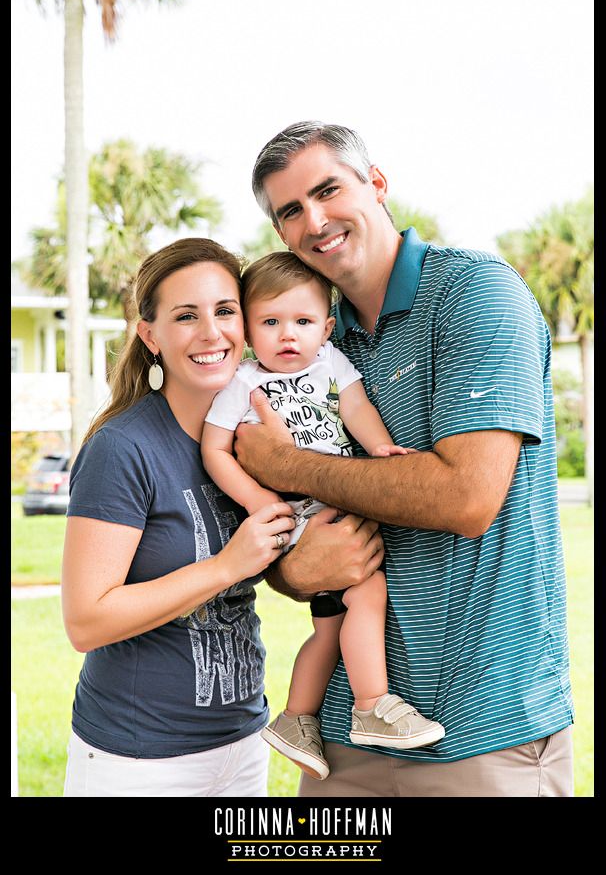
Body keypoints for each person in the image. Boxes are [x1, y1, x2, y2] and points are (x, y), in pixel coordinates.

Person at [232, 121, 575, 798]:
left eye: (328, 189)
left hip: (484, 733)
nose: (316, 220)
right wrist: (294, 570)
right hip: (343, 741)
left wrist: (289, 463)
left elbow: (466, 497)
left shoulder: (476, 295)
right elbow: (285, 529)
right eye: (290, 211)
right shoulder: (310, 342)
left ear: (377, 183)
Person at [61, 235, 384, 798]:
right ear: (151, 336)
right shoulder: (124, 448)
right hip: (140, 757)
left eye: (226, 310)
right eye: (186, 316)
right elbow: (86, 622)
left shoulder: (248, 443)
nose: (212, 332)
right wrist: (226, 565)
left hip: (241, 740)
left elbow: (278, 559)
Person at [201, 250, 445, 780]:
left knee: (331, 626)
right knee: (367, 591)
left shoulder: (331, 362)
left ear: (327, 327)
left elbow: (356, 408)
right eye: (270, 322)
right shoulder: (242, 382)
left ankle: (296, 718)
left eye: (303, 322)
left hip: (335, 505)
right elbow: (214, 449)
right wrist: (257, 500)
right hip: (295, 521)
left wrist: (380, 449)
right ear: (247, 330)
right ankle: (371, 704)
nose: (288, 335)